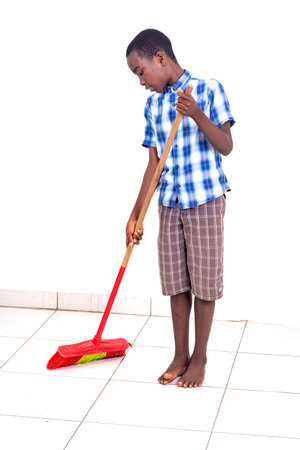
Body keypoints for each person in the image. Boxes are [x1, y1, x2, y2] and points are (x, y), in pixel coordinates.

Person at [125, 29, 235, 388]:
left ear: (160, 58)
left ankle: (200, 357)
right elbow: (152, 165)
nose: (140, 81)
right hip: (170, 204)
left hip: (204, 200)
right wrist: (135, 213)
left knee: (203, 284)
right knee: (176, 283)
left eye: (140, 71)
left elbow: (226, 146)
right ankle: (180, 354)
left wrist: (197, 115)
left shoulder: (206, 89)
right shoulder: (153, 106)